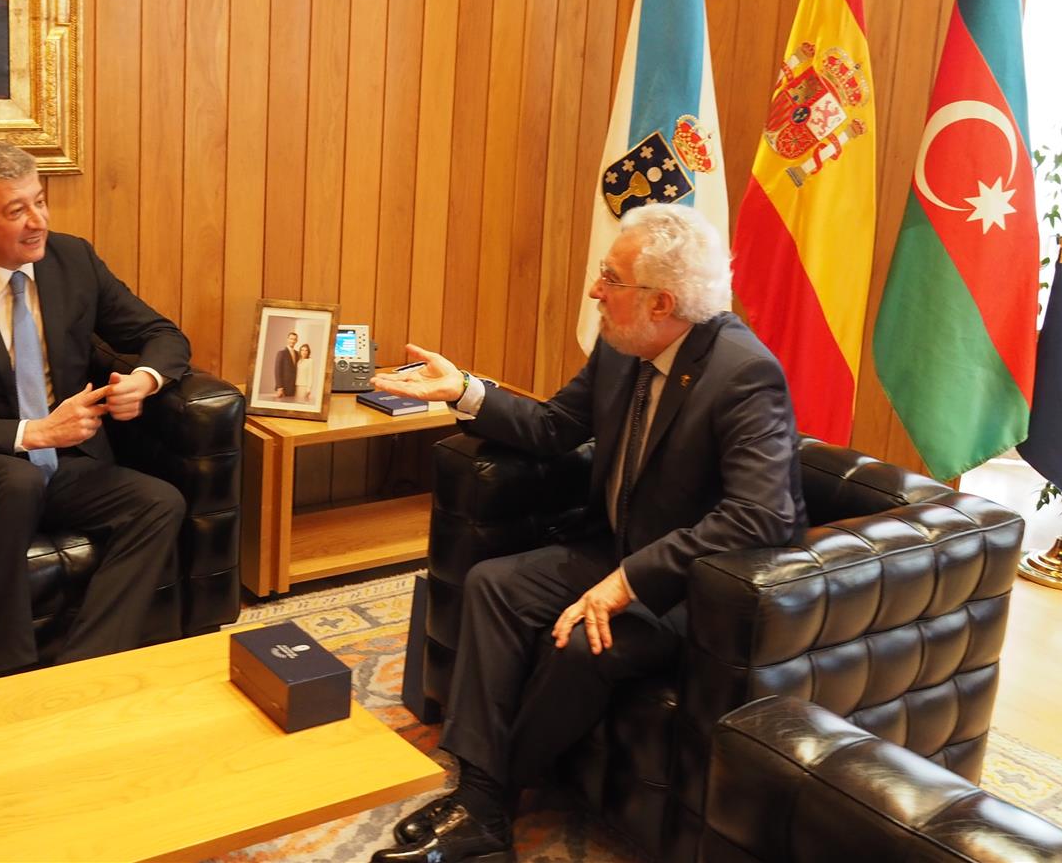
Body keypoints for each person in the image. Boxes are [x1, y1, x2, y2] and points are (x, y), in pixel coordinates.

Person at [367, 203, 804, 863]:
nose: (595, 292)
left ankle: (491, 795)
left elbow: (760, 515)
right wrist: (463, 390)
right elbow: (551, 428)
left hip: (692, 590)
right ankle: (482, 801)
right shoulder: (624, 346)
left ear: (660, 301)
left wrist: (628, 582)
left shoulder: (742, 374)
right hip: (614, 547)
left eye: (609, 278)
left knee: (582, 648)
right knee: (493, 584)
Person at [0, 142, 189, 683]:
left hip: (63, 464)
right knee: (13, 481)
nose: (37, 222)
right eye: (16, 210)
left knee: (159, 503)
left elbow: (161, 334)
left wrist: (143, 380)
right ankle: (3, 672)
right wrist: (36, 431)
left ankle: (80, 670)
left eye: (40, 202)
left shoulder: (74, 261)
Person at [273, 330, 298, 399]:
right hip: (283, 388)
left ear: (296, 341)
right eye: (291, 339)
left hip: (293, 388)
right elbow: (277, 371)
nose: (292, 341)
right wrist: (280, 387)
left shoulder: (297, 353)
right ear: (287, 339)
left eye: (294, 339)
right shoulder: (281, 353)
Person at [294, 341, 315, 406]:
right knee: (295, 403)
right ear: (300, 351)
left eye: (306, 350)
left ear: (308, 352)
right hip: (295, 385)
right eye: (302, 350)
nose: (304, 352)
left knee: (301, 404)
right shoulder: (298, 361)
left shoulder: (310, 361)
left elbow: (310, 375)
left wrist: (308, 389)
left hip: (304, 386)